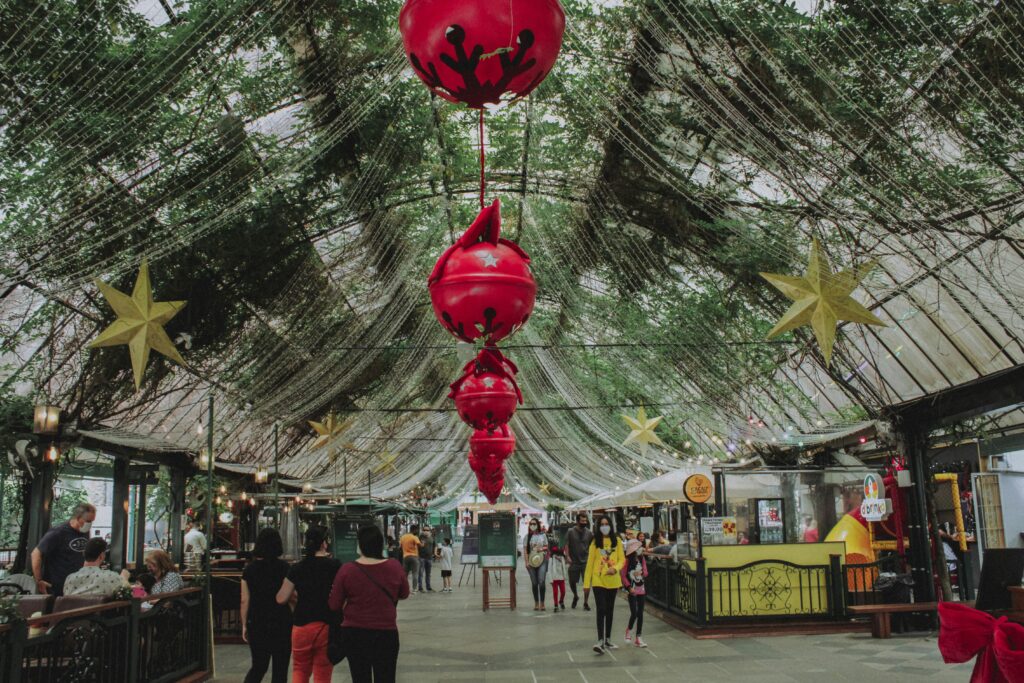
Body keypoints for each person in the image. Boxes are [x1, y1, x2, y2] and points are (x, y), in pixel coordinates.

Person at [328, 524, 410, 682]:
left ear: (360, 545)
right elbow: (404, 594)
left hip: (354, 634)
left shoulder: (347, 570)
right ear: (381, 544)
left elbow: (334, 605)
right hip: (386, 633)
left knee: (360, 677)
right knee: (386, 677)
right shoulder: (394, 566)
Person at [276, 527, 340, 683]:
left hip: (301, 625)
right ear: (324, 544)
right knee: (322, 671)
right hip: (325, 625)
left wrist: (295, 598)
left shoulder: (297, 568)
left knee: (299, 669)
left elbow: (281, 598)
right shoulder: (334, 566)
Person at [241, 528, 292, 683]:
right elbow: (290, 596)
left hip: (257, 621)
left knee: (258, 666)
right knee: (280, 668)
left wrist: (244, 624)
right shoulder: (285, 568)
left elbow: (244, 599)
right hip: (281, 620)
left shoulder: (249, 569)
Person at [31, 502, 97, 596]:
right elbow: (35, 554)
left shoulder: (85, 532)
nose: (90, 524)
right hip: (57, 586)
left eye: (92, 521)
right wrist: (39, 580)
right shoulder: (58, 532)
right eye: (88, 521)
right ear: (78, 518)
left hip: (77, 585)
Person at [584, 515, 625, 654]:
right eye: (602, 524)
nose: (604, 526)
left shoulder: (617, 541)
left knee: (610, 610)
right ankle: (600, 640)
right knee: (601, 609)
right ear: (598, 526)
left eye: (606, 524)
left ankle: (608, 638)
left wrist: (616, 568)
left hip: (613, 581)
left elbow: (622, 560)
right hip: (598, 580)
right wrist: (586, 584)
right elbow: (589, 564)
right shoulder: (595, 542)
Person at [62, 538, 129, 597]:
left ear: (83, 553)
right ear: (102, 556)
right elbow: (133, 594)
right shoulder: (111, 577)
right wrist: (125, 579)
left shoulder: (69, 579)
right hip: (101, 611)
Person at [621, 539, 648, 648]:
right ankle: (629, 630)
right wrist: (628, 587)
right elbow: (623, 575)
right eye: (637, 547)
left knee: (640, 613)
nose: (639, 549)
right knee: (634, 612)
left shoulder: (642, 558)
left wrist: (642, 573)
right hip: (632, 589)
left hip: (641, 588)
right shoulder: (627, 560)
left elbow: (646, 571)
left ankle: (638, 637)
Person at [565, 512, 593, 610]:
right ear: (577, 521)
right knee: (572, 582)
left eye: (585, 521)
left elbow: (592, 546)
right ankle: (575, 595)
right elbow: (567, 545)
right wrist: (567, 556)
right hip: (574, 561)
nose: (584, 522)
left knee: (587, 583)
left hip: (586, 562)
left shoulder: (589, 533)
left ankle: (585, 602)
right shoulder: (570, 531)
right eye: (582, 521)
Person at [523, 518, 549, 611]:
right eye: (531, 524)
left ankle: (542, 603)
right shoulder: (527, 537)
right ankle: (536, 603)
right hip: (531, 562)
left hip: (542, 560)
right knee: (534, 583)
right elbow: (525, 551)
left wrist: (541, 549)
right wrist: (526, 562)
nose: (532, 525)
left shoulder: (543, 535)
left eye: (534, 523)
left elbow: (546, 546)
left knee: (541, 581)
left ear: (538, 525)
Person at [399, 525, 422, 593]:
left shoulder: (403, 537)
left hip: (405, 557)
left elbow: (400, 546)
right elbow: (419, 545)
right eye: (417, 530)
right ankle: (414, 589)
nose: (417, 531)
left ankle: (404, 589)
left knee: (405, 574)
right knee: (415, 573)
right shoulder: (414, 537)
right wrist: (422, 544)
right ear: (414, 530)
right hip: (414, 556)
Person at [549, 540, 567, 612]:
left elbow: (564, 566)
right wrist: (550, 579)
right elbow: (549, 568)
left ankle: (561, 601)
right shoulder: (551, 557)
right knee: (555, 592)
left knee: (563, 592)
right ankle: (556, 605)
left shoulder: (562, 555)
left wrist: (565, 575)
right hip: (554, 577)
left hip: (561, 577)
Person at [417, 526, 435, 592]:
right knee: (420, 573)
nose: (426, 531)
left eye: (427, 530)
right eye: (424, 530)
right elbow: (417, 546)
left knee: (428, 574)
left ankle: (428, 587)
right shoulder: (420, 537)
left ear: (429, 530)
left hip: (429, 558)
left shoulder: (431, 537)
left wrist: (434, 553)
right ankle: (420, 587)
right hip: (421, 558)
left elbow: (434, 545)